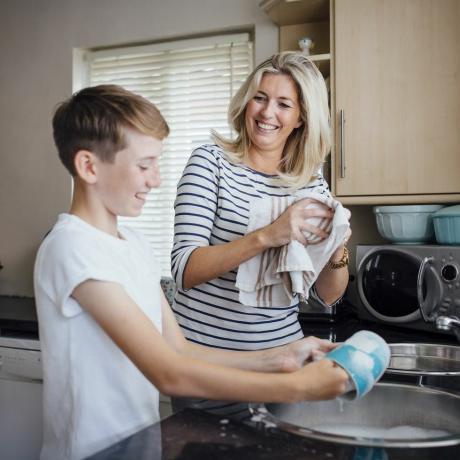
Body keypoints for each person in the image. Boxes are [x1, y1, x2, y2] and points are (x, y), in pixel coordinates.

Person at [34, 84, 348, 460]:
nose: (156, 179)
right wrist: (299, 389)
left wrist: (284, 358)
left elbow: (178, 349)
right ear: (88, 166)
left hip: (138, 446)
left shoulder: (131, 242)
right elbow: (169, 373)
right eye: (144, 164)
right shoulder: (72, 247)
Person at [171, 52, 352, 416]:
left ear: (301, 118)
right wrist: (269, 235)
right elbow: (184, 269)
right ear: (246, 100)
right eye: (260, 97)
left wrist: (337, 249)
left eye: (284, 104)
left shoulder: (311, 182)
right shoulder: (210, 163)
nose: (267, 113)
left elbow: (327, 296)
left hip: (284, 373)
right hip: (209, 373)